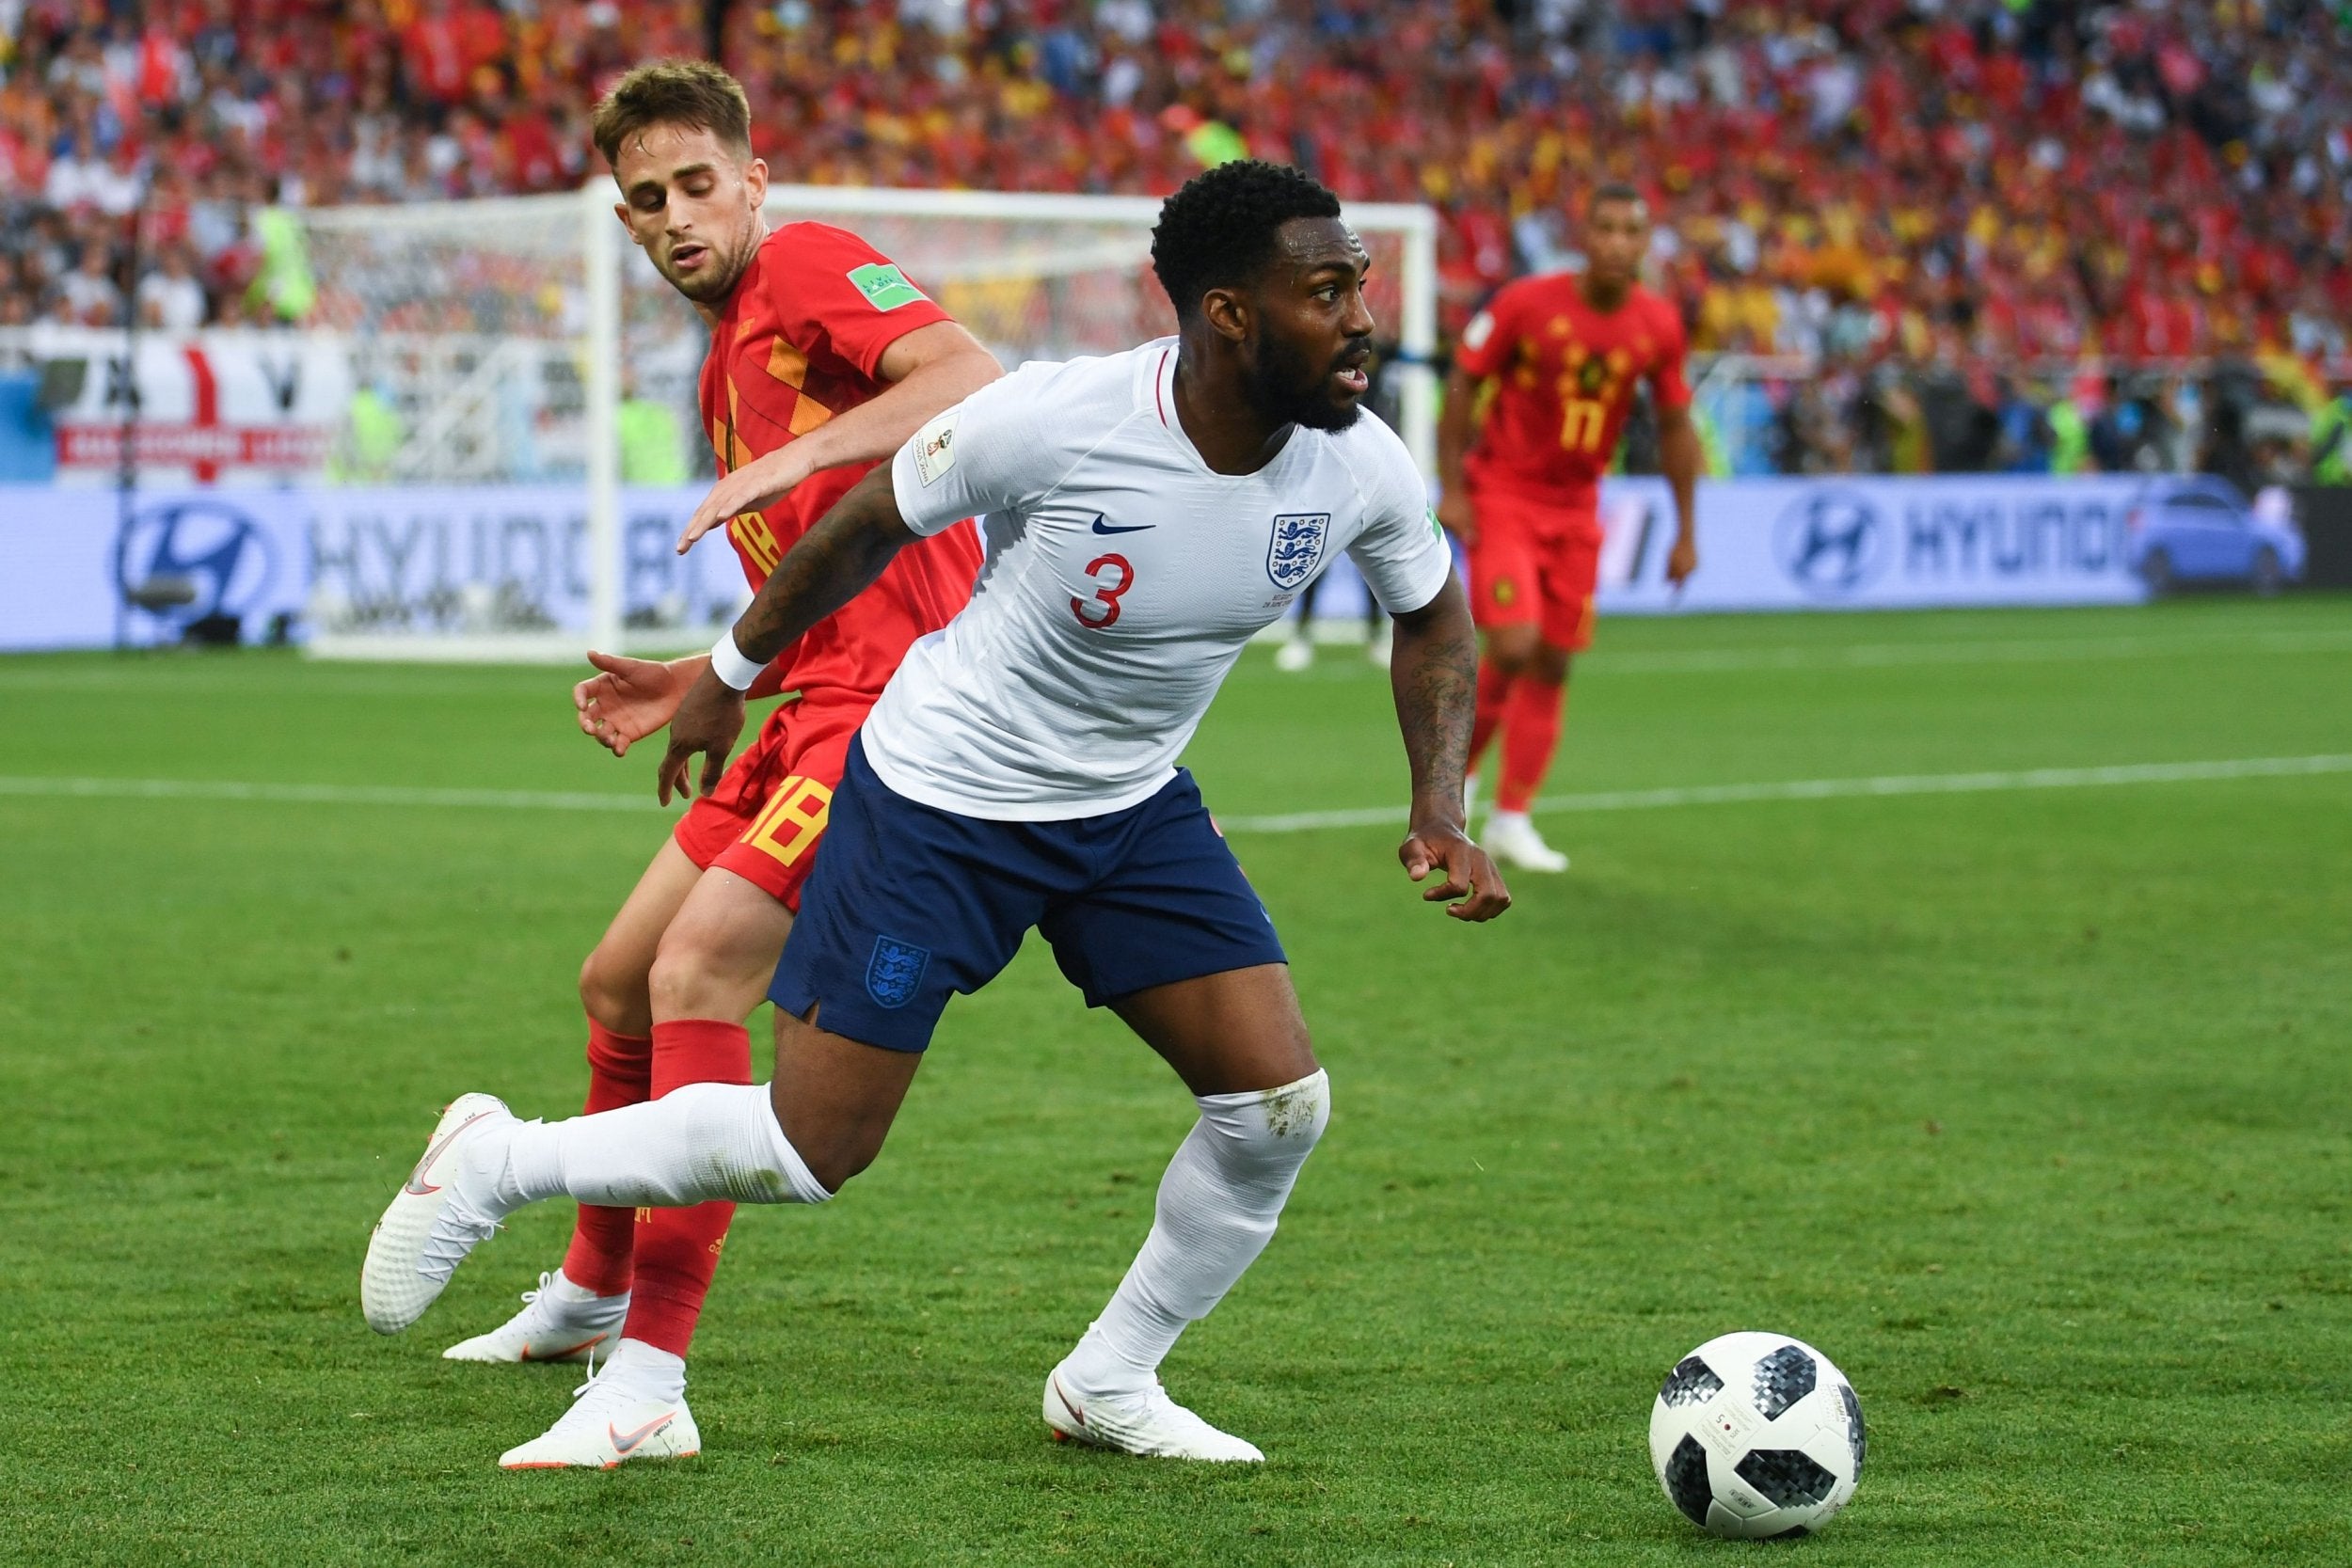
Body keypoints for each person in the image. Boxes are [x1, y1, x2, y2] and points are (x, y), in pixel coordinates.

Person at [363, 159, 1509, 1466]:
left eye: (1358, 282)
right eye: (1327, 289)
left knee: (1275, 1105)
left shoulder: (1361, 463)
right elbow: (863, 524)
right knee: (811, 1148)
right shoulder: (1060, 417)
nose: (1363, 314)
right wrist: (725, 678)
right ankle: (503, 1158)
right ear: (1229, 314)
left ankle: (1108, 1377)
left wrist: (1441, 805)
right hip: (941, 800)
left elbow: (1432, 616)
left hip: (1128, 808)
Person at [413, 59, 1000, 1469]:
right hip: (802, 689)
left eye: (694, 185)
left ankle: (652, 1373)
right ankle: (591, 1286)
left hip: (886, 710)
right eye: (646, 201)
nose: (675, 216)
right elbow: (826, 572)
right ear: (624, 224)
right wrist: (712, 676)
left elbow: (969, 377)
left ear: (751, 180)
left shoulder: (800, 262)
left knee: (697, 977)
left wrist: (763, 480)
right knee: (618, 979)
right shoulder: (728, 332)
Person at [1436, 183, 1700, 873]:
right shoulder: (1527, 303)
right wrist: (1455, 486)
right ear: (1584, 238)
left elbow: (1676, 427)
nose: (1617, 243)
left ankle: (1513, 816)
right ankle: (1456, 781)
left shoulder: (1659, 325)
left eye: (1630, 231)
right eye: (1605, 229)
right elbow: (1463, 381)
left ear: (1645, 244)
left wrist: (1686, 529)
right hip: (1505, 495)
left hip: (1578, 509)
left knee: (1554, 658)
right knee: (1514, 642)